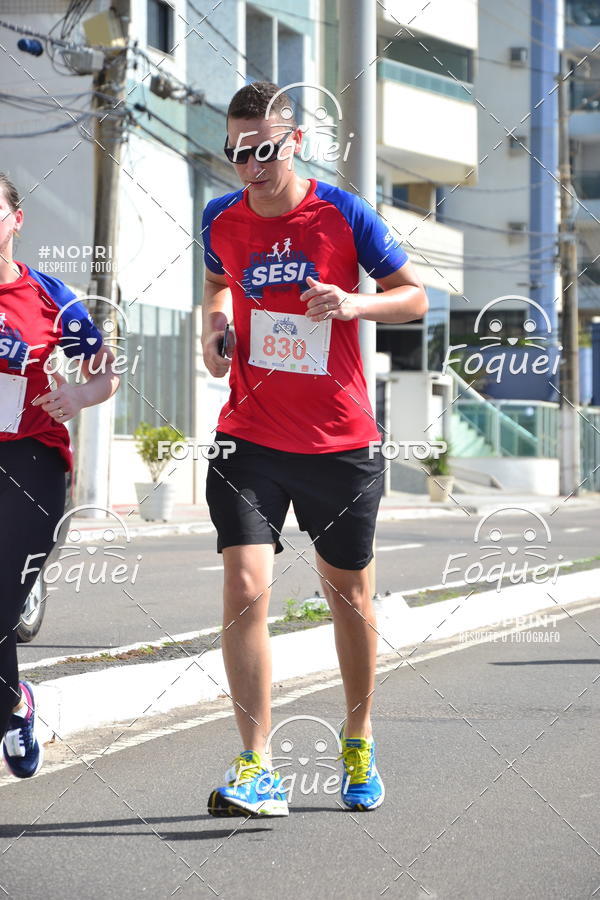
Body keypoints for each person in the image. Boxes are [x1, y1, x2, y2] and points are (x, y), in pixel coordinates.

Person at [201, 83, 428, 817]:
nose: (251, 166)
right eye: (238, 152)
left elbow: (414, 296)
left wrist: (356, 302)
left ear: (292, 141)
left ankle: (358, 739)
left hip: (338, 440)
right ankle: (255, 764)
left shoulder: (342, 212)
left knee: (348, 598)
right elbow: (213, 283)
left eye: (264, 149)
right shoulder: (220, 219)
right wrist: (214, 326)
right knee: (243, 589)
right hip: (249, 434)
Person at [0, 173, 119, 778]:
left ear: (15, 220)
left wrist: (78, 394)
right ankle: (14, 707)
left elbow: (107, 369)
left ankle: (12, 707)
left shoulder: (48, 296)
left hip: (32, 460)